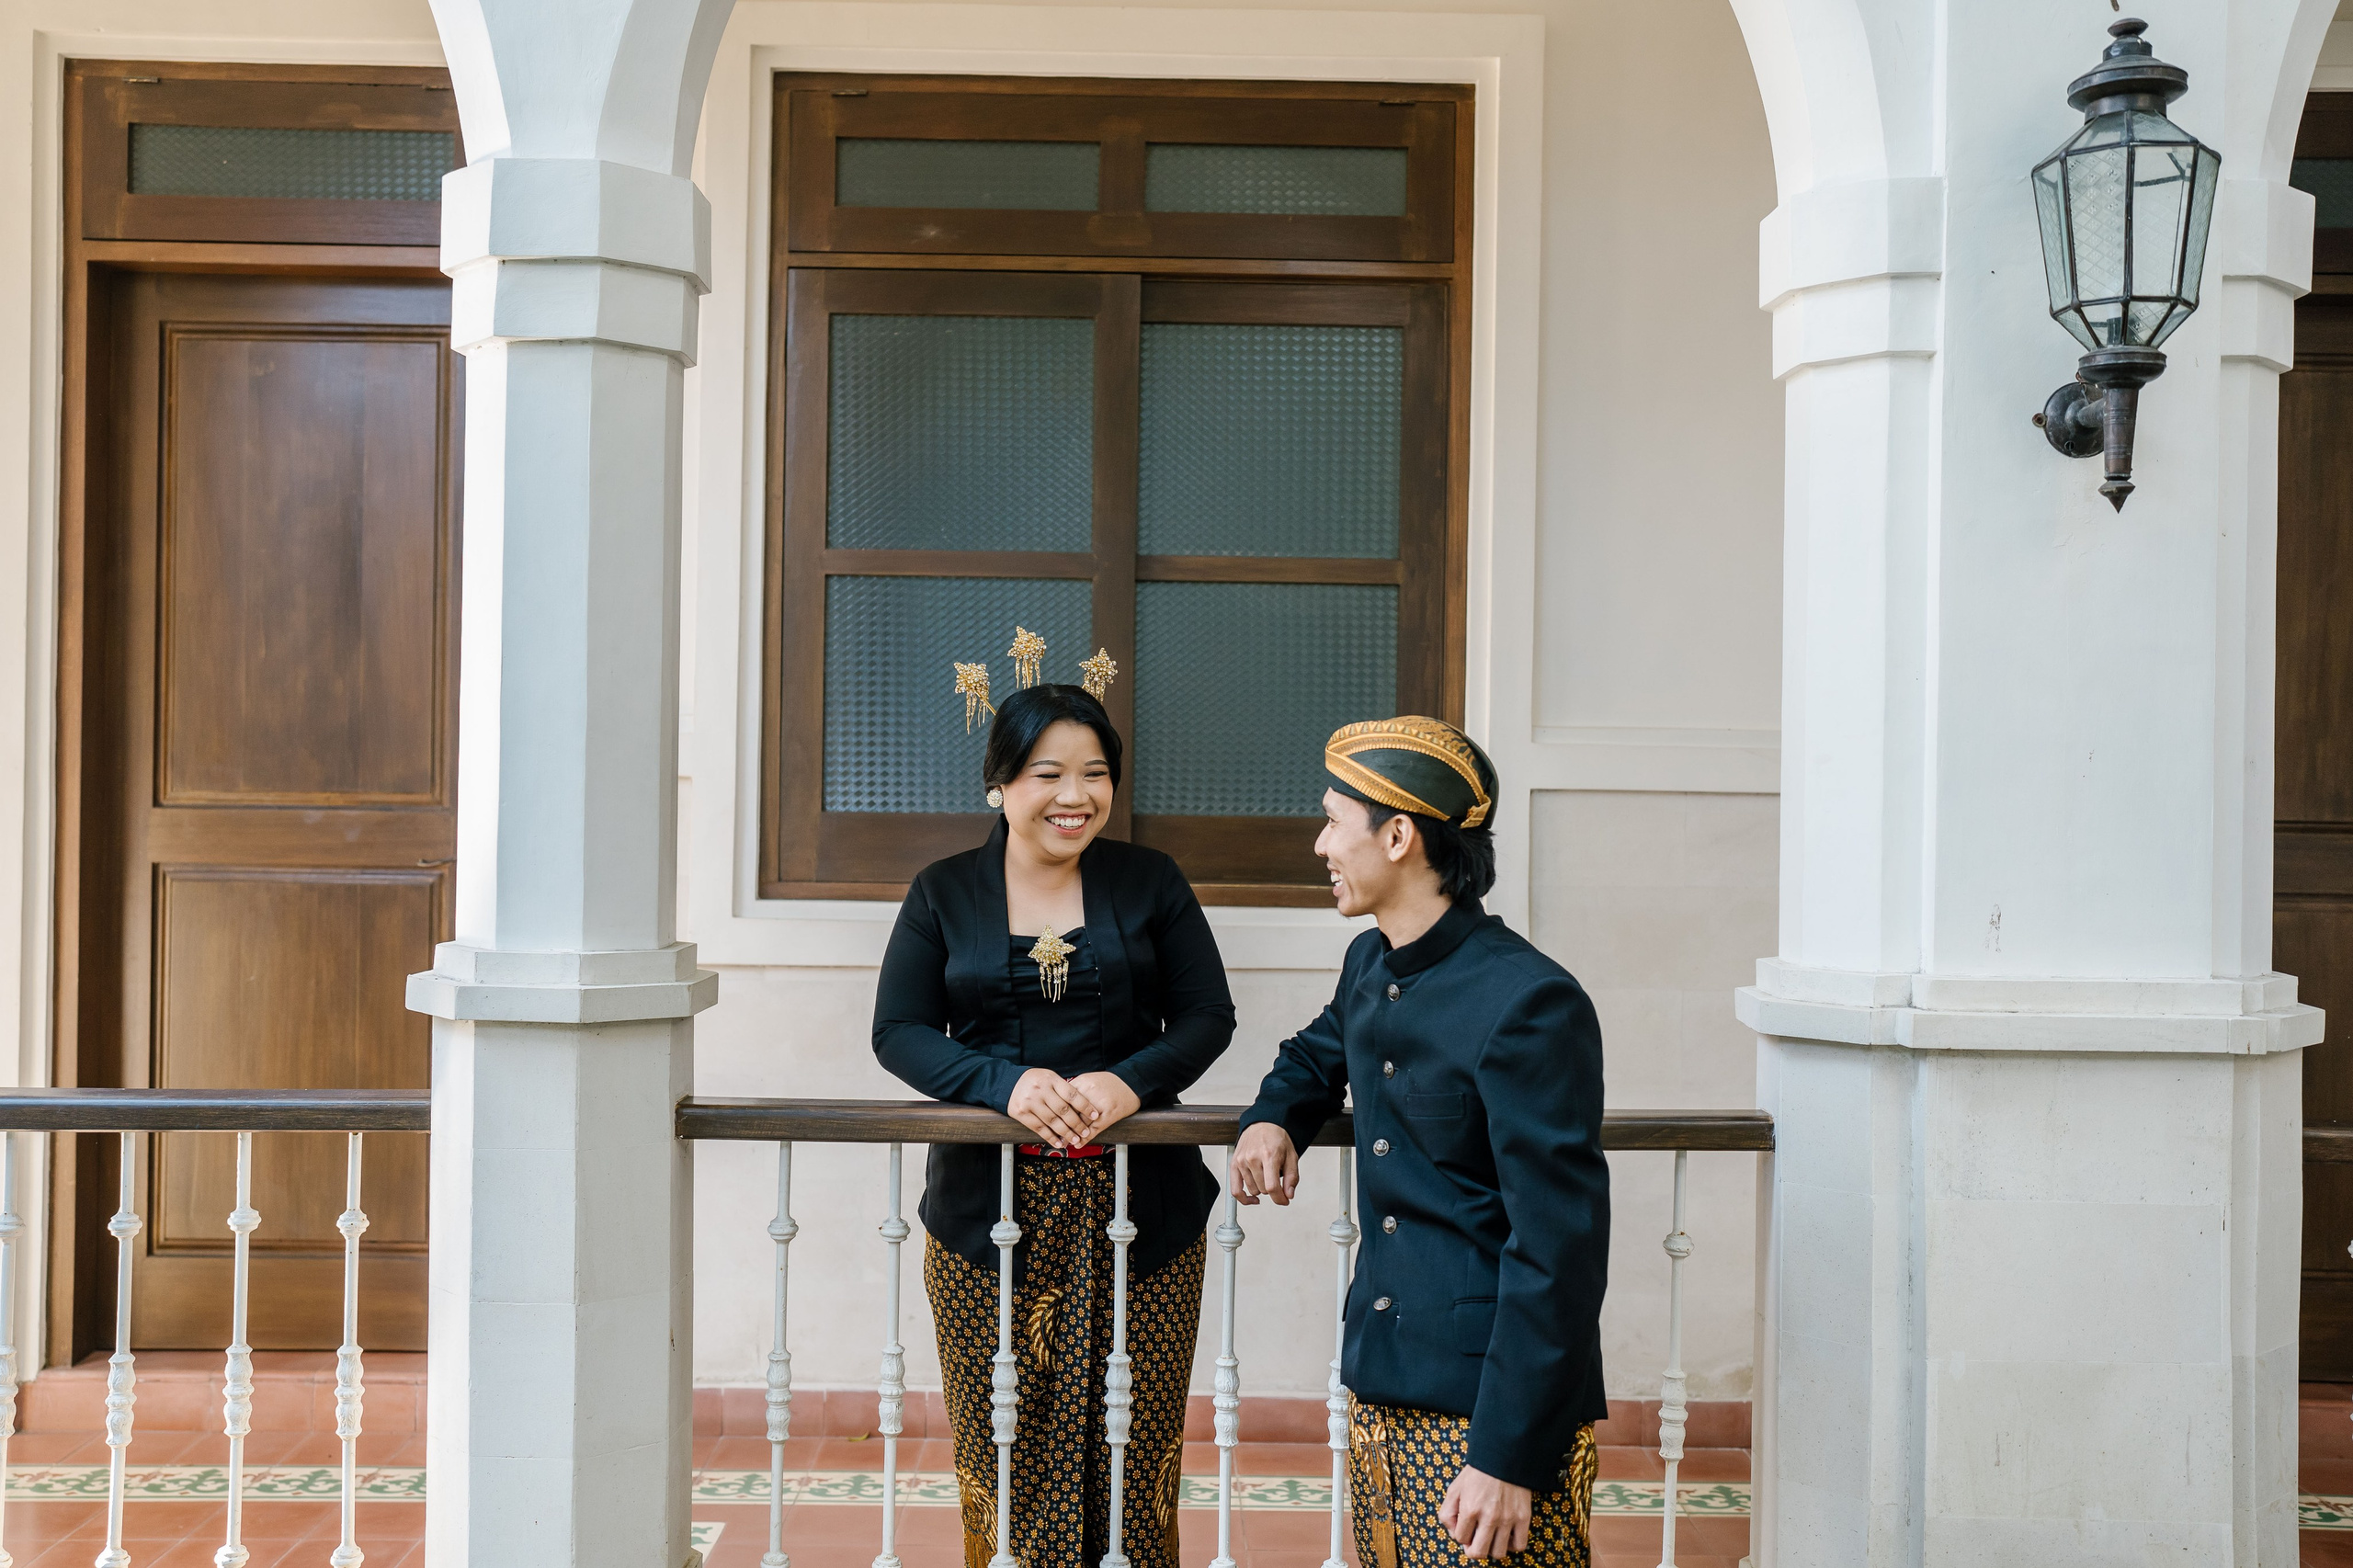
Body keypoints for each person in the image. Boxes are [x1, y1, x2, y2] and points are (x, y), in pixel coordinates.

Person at [873, 663, 1234, 1568]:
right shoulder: (943, 890)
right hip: (982, 1218)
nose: (1074, 795)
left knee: (1133, 1446)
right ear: (999, 783)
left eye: (1095, 773)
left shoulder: (1151, 880)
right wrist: (1002, 1082)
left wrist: (1128, 1082)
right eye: (1047, 773)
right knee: (1002, 1449)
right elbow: (899, 1029)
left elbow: (1205, 1016)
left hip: (1142, 1210)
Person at [1230, 715, 1609, 1568]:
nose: (1321, 842)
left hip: (1485, 1405)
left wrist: (1507, 1457)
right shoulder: (1371, 963)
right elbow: (1311, 1056)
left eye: (1335, 820)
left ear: (1398, 835)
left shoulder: (1530, 1001)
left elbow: (1561, 1249)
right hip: (1382, 1376)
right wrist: (1271, 1117)